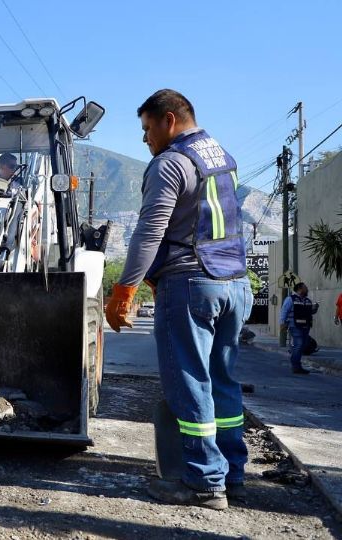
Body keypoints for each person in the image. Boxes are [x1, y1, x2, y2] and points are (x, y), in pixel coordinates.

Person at [105, 89, 250, 510]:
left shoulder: (170, 163)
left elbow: (150, 231)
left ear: (170, 120)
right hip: (234, 285)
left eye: (148, 128)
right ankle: (232, 474)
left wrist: (125, 289)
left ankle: (203, 481)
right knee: (222, 382)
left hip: (191, 285)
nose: (145, 139)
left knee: (189, 382)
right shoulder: (222, 158)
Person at [280, 282, 319, 374]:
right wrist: (282, 323)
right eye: (305, 288)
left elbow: (310, 312)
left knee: (303, 345)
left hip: (306, 326)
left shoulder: (307, 301)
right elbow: (284, 311)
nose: (307, 289)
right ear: (300, 289)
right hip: (295, 326)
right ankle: (296, 366)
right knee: (299, 345)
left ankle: (296, 362)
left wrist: (315, 308)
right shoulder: (290, 299)